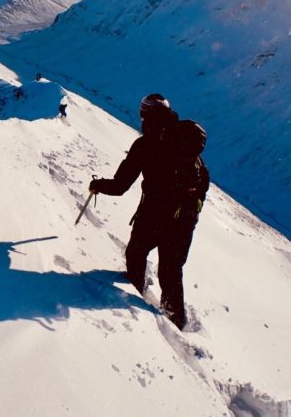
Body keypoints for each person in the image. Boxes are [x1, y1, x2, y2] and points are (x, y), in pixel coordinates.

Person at [88, 93, 209, 330]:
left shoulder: (145, 145)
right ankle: (176, 321)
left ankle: (134, 293)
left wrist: (97, 185)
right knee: (171, 271)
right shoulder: (184, 139)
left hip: (154, 214)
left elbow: (120, 186)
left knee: (135, 254)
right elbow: (203, 178)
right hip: (184, 218)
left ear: (144, 116)